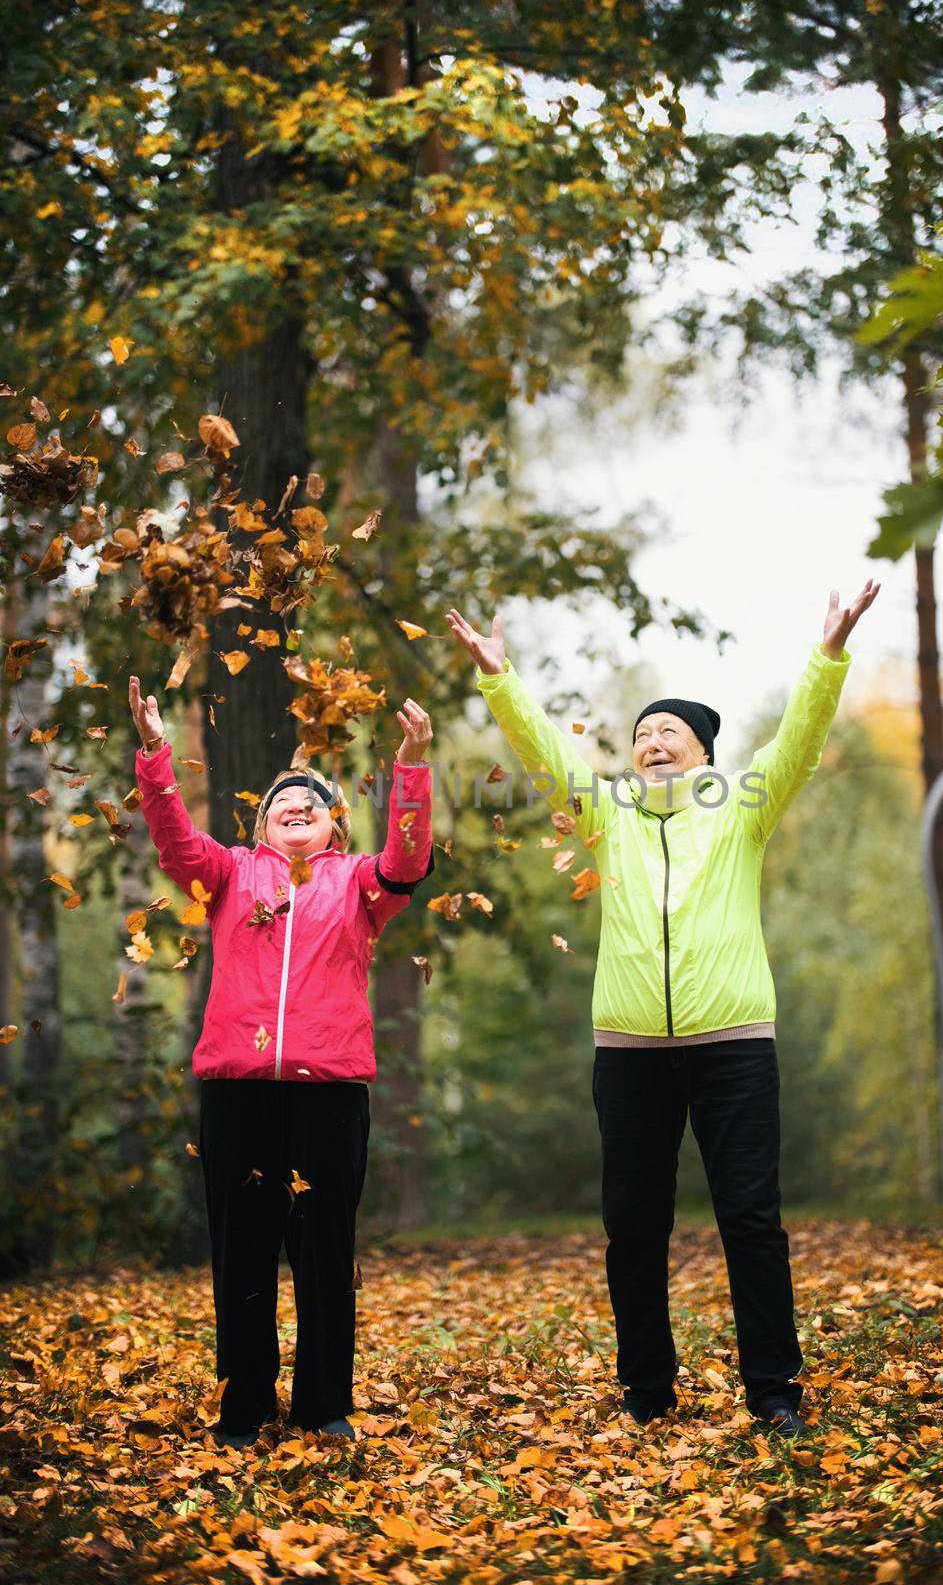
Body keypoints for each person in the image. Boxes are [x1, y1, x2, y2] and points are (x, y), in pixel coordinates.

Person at [445, 582, 878, 1435]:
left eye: (666, 732)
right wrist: (500, 680)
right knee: (631, 1229)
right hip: (629, 1049)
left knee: (750, 1220)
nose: (649, 743)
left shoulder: (740, 810)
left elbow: (799, 742)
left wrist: (827, 655)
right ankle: (646, 1390)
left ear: (703, 752)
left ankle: (774, 1392)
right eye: (640, 734)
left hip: (734, 1047)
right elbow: (547, 757)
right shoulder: (606, 813)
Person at [128, 675, 435, 1448]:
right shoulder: (229, 873)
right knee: (242, 1254)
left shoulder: (359, 881)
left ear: (334, 821)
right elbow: (171, 839)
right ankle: (243, 1405)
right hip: (238, 1095)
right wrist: (156, 753)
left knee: (325, 1253)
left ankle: (324, 1404)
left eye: (311, 801)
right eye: (279, 802)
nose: (294, 806)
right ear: (262, 824)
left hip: (329, 1096)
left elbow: (408, 856)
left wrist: (413, 764)